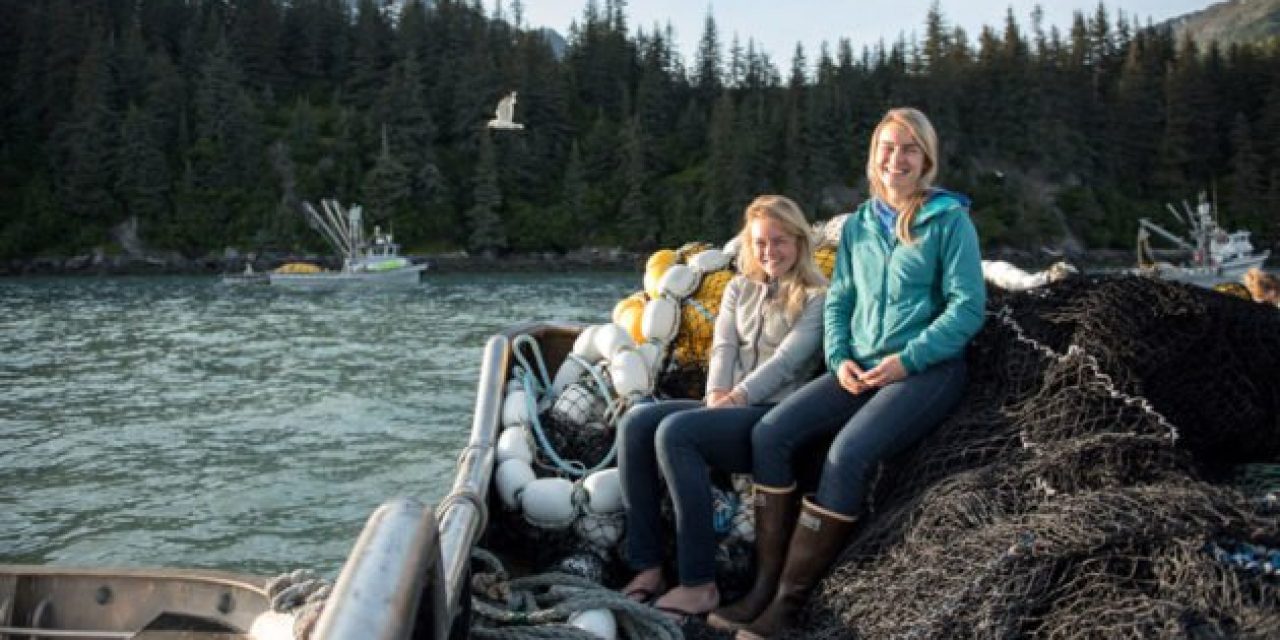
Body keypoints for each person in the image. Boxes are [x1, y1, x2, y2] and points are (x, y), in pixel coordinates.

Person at [709, 108, 986, 639]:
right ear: (873, 156)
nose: (896, 159)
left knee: (847, 453)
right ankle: (764, 587)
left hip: (924, 371)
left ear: (925, 158)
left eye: (908, 149)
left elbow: (966, 308)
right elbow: (839, 303)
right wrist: (841, 360)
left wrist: (909, 359)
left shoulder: (949, 221)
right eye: (887, 147)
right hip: (857, 366)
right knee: (771, 434)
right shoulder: (860, 224)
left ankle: (787, 608)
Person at [617, 195, 828, 621]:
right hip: (727, 404)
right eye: (761, 243)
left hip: (771, 416)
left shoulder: (817, 296)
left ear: (800, 241)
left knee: (677, 433)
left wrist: (736, 399)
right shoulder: (738, 287)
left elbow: (789, 361)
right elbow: (723, 347)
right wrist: (716, 395)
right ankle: (649, 565)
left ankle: (699, 584)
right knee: (637, 421)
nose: (770, 252)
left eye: (779, 241)